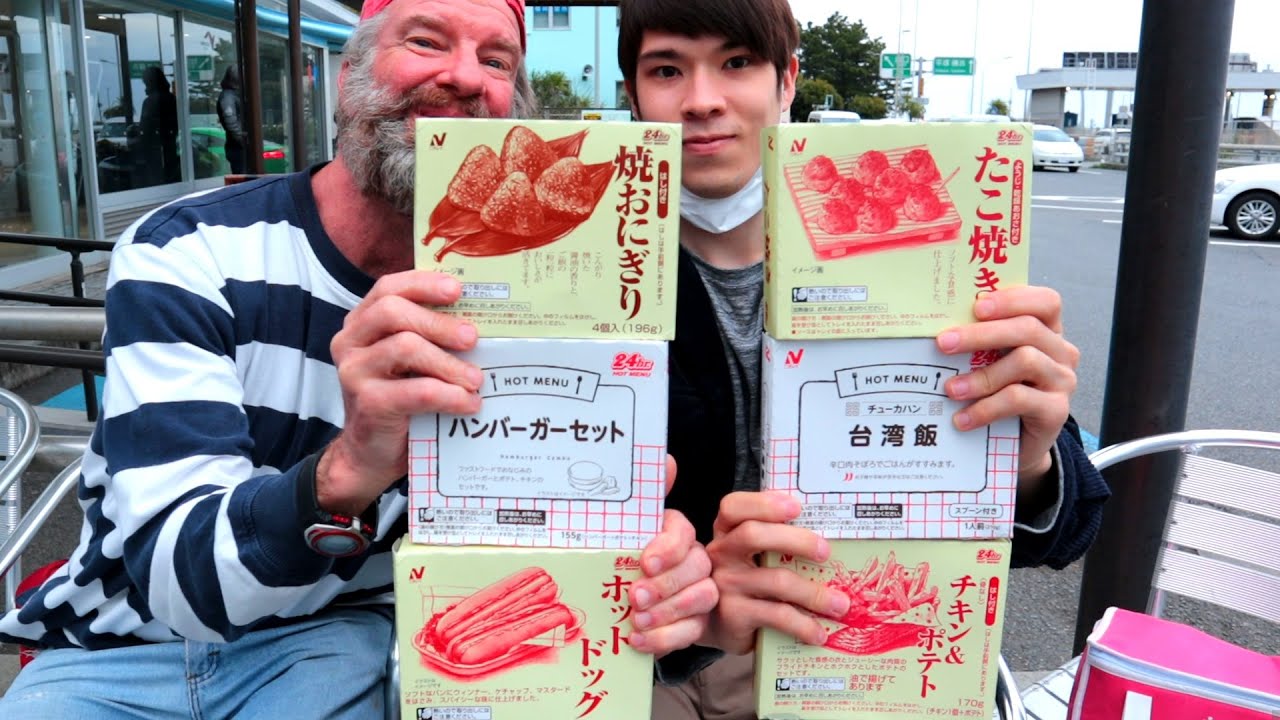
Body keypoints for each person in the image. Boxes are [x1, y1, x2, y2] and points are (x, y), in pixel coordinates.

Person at [0, 1, 716, 717]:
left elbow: (547, 536)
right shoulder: (193, 251)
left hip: (338, 644)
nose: (464, 77)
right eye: (426, 40)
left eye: (496, 60)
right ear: (348, 79)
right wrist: (349, 467)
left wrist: (647, 566)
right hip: (116, 652)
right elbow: (180, 585)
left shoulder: (542, 291)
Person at [613, 0, 1111, 715]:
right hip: (649, 654)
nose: (702, 101)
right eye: (667, 70)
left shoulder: (915, 249)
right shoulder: (597, 261)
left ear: (786, 81)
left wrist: (1027, 461)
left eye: (737, 63)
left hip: (858, 638)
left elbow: (1058, 532)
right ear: (633, 93)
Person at [139, 65, 179, 184]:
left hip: (155, 148)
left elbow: (145, 126)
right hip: (170, 144)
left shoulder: (150, 101)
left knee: (157, 177)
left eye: (146, 82)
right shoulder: (172, 98)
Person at [217, 65, 248, 174]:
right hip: (237, 148)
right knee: (243, 180)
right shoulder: (228, 97)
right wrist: (245, 141)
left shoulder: (232, 95)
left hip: (237, 146)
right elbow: (231, 124)